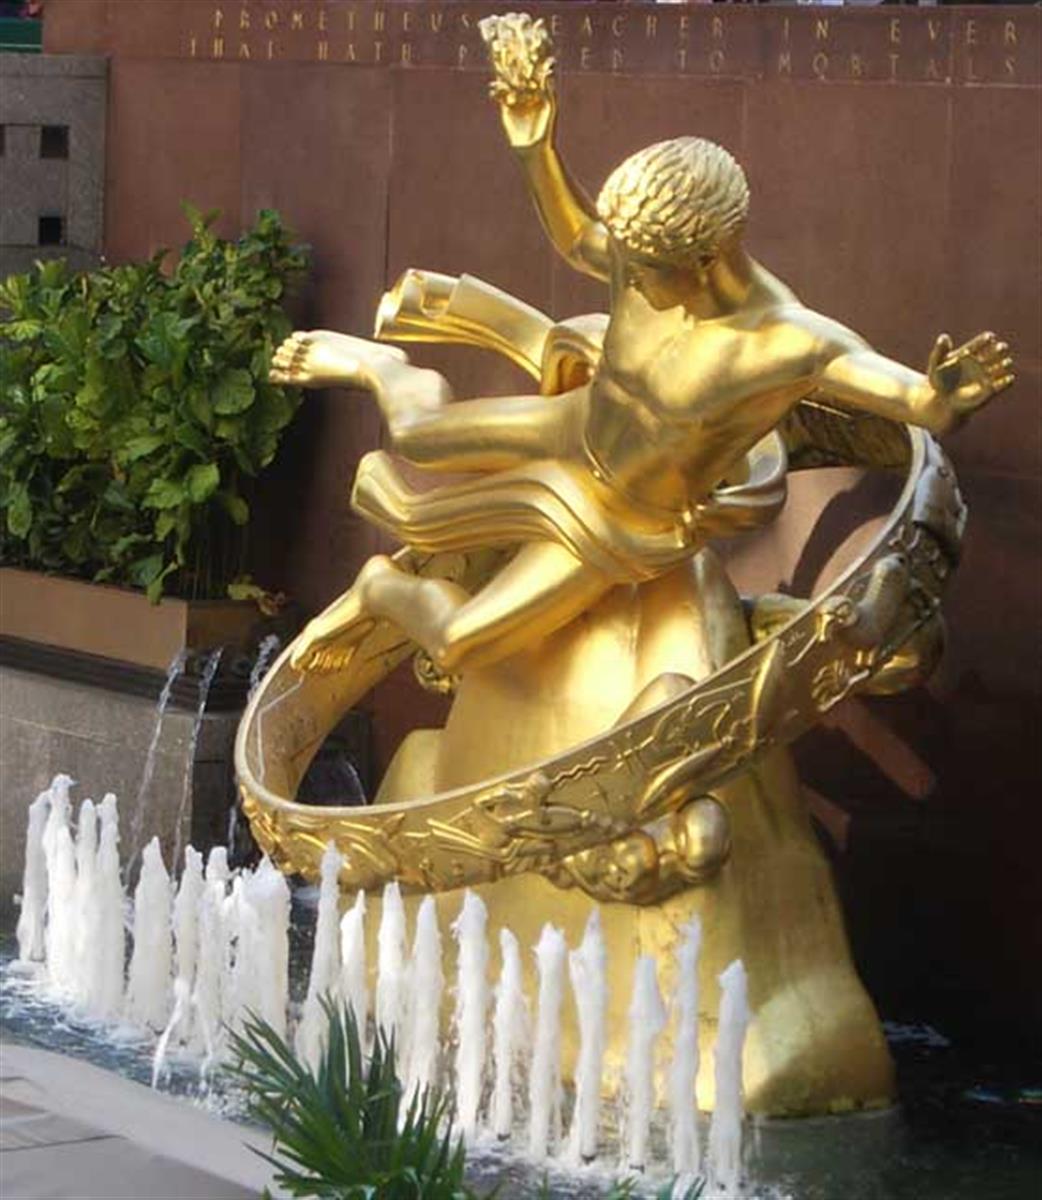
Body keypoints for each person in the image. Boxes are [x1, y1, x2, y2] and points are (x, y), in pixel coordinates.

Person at [271, 14, 1012, 678]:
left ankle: (381, 588)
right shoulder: (643, 257)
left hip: (620, 522)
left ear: (707, 259)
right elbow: (577, 237)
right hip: (572, 427)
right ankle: (382, 366)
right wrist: (535, 148)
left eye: (647, 270)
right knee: (413, 432)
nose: (625, 275)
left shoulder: (785, 342)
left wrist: (945, 397)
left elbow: (913, 404)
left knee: (460, 644)